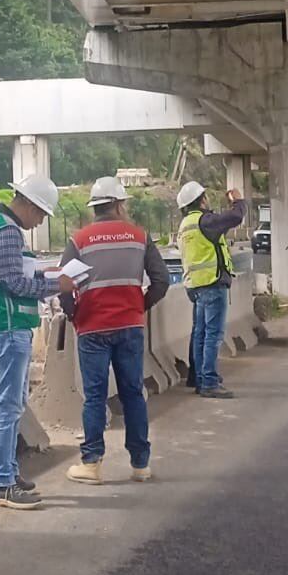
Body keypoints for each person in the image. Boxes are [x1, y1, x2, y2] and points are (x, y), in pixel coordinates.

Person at [0, 172, 75, 512]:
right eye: (42, 214)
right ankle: (2, 484)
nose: (40, 222)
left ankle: (9, 473)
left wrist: (45, 274)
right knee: (7, 406)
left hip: (8, 324)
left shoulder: (0, 226)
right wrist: (56, 286)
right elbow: (15, 284)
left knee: (14, 403)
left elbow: (17, 273)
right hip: (6, 326)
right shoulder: (6, 231)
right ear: (29, 205)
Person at [60, 176, 170, 485]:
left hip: (92, 327)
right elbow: (160, 280)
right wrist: (139, 306)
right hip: (130, 326)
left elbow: (63, 286)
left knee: (95, 396)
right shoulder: (139, 236)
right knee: (133, 393)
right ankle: (140, 464)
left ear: (95, 208)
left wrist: (74, 314)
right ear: (120, 205)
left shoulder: (79, 240)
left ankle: (92, 464)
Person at [176, 180, 247, 399]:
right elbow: (235, 217)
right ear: (201, 200)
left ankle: (198, 378)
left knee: (200, 334)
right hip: (212, 284)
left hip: (194, 286)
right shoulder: (205, 221)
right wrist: (238, 201)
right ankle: (209, 382)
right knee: (212, 336)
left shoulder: (184, 225)